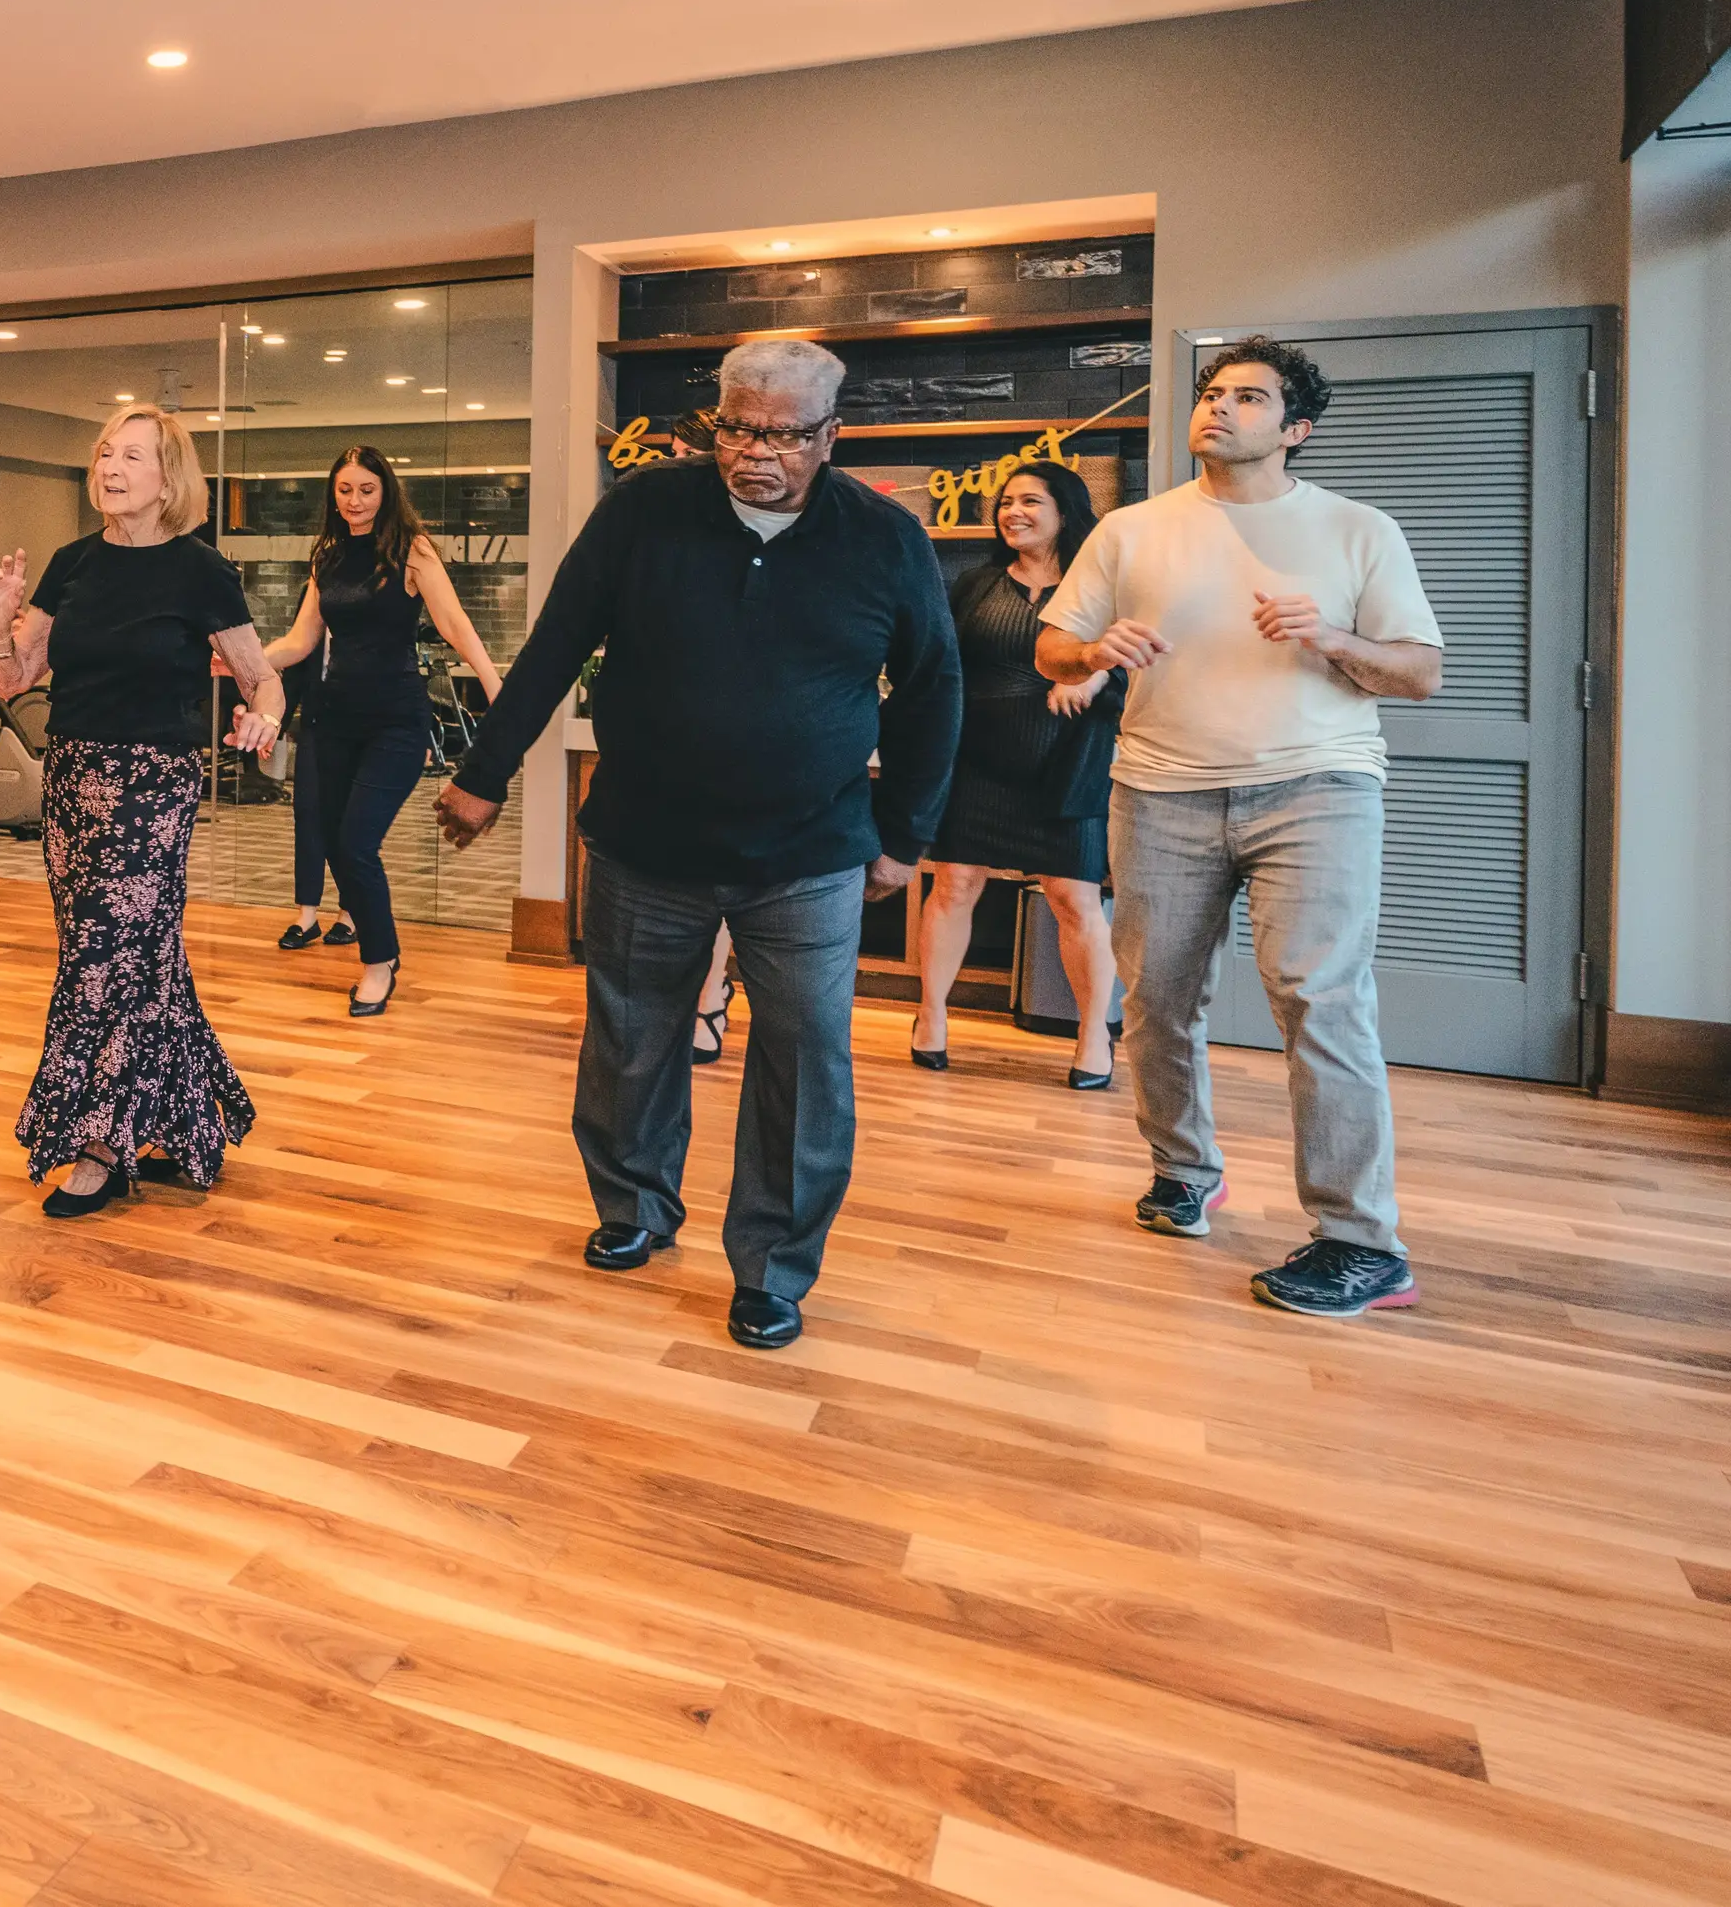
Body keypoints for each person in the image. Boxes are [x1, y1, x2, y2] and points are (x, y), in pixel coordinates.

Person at [438, 338, 958, 1352]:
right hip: (646, 840)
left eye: (783, 434)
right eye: (736, 428)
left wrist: (905, 833)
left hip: (809, 853)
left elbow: (933, 688)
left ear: (830, 436)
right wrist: (483, 771)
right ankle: (633, 1204)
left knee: (804, 1059)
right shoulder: (643, 510)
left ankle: (771, 1265)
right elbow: (555, 643)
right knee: (631, 1039)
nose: (754, 452)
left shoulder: (884, 538)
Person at [1039, 338, 1444, 1320]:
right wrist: (1091, 650)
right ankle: (1183, 1170)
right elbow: (1052, 647)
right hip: (1158, 790)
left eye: (1248, 397)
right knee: (1156, 998)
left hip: (1317, 786)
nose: (1217, 406)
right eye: (1212, 392)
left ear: (1295, 428)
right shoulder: (1131, 531)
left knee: (1320, 997)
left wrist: (1330, 637)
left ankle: (1360, 1241)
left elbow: (1420, 672)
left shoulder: (1357, 530)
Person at [0, 403, 287, 1218]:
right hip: (71, 780)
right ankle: (182, 1119)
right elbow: (14, 680)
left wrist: (267, 717)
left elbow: (261, 677)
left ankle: (99, 1145)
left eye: (132, 456)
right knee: (138, 961)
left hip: (154, 784)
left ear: (169, 476)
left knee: (102, 959)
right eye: (104, 453)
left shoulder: (201, 570)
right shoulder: (72, 563)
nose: (111, 468)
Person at [262, 446, 504, 1017]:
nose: (355, 501)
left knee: (356, 844)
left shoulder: (411, 551)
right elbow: (300, 641)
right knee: (333, 842)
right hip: (333, 721)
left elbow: (454, 624)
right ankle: (385, 952)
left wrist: (497, 688)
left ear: (386, 491)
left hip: (395, 722)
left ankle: (377, 964)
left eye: (366, 489)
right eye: (345, 490)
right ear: (333, 495)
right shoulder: (326, 556)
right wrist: (244, 661)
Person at [910, 461, 1122, 1090]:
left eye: (1031, 501)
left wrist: (1093, 676)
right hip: (977, 759)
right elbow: (941, 665)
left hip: (1068, 762)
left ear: (1065, 512)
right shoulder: (976, 585)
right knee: (954, 885)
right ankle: (931, 1016)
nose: (1013, 512)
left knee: (1074, 898)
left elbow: (1134, 662)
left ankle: (1093, 1036)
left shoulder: (1100, 589)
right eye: (1005, 502)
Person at [276, 633, 347, 952]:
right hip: (316, 728)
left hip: (362, 731)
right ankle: (307, 915)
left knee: (347, 822)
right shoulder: (313, 607)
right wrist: (274, 726)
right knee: (307, 815)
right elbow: (294, 671)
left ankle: (350, 912)